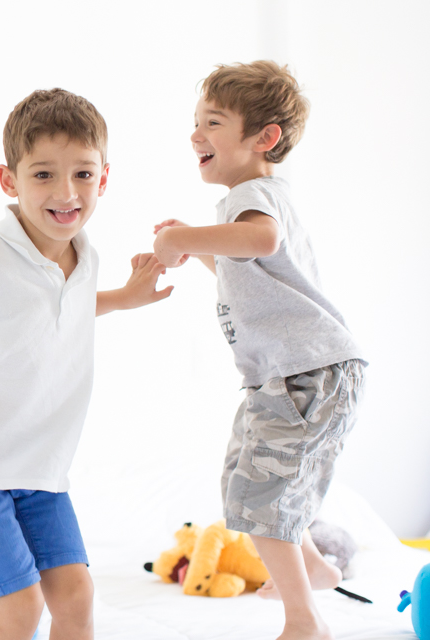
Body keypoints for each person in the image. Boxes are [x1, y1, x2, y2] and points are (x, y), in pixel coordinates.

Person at [0, 88, 172, 640]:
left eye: (82, 174)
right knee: (22, 608)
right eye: (44, 175)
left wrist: (125, 296)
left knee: (76, 597)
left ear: (104, 178)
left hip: (41, 468)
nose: (66, 192)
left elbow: (60, 306)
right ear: (10, 181)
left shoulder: (84, 253)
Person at [152, 61, 367, 640]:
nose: (196, 134)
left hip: (304, 373)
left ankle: (304, 621)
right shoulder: (255, 199)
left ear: (263, 138)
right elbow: (247, 263)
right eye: (196, 122)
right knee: (245, 485)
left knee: (260, 495)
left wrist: (182, 237)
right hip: (294, 375)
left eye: (213, 123)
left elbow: (260, 241)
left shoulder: (253, 197)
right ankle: (316, 571)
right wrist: (196, 246)